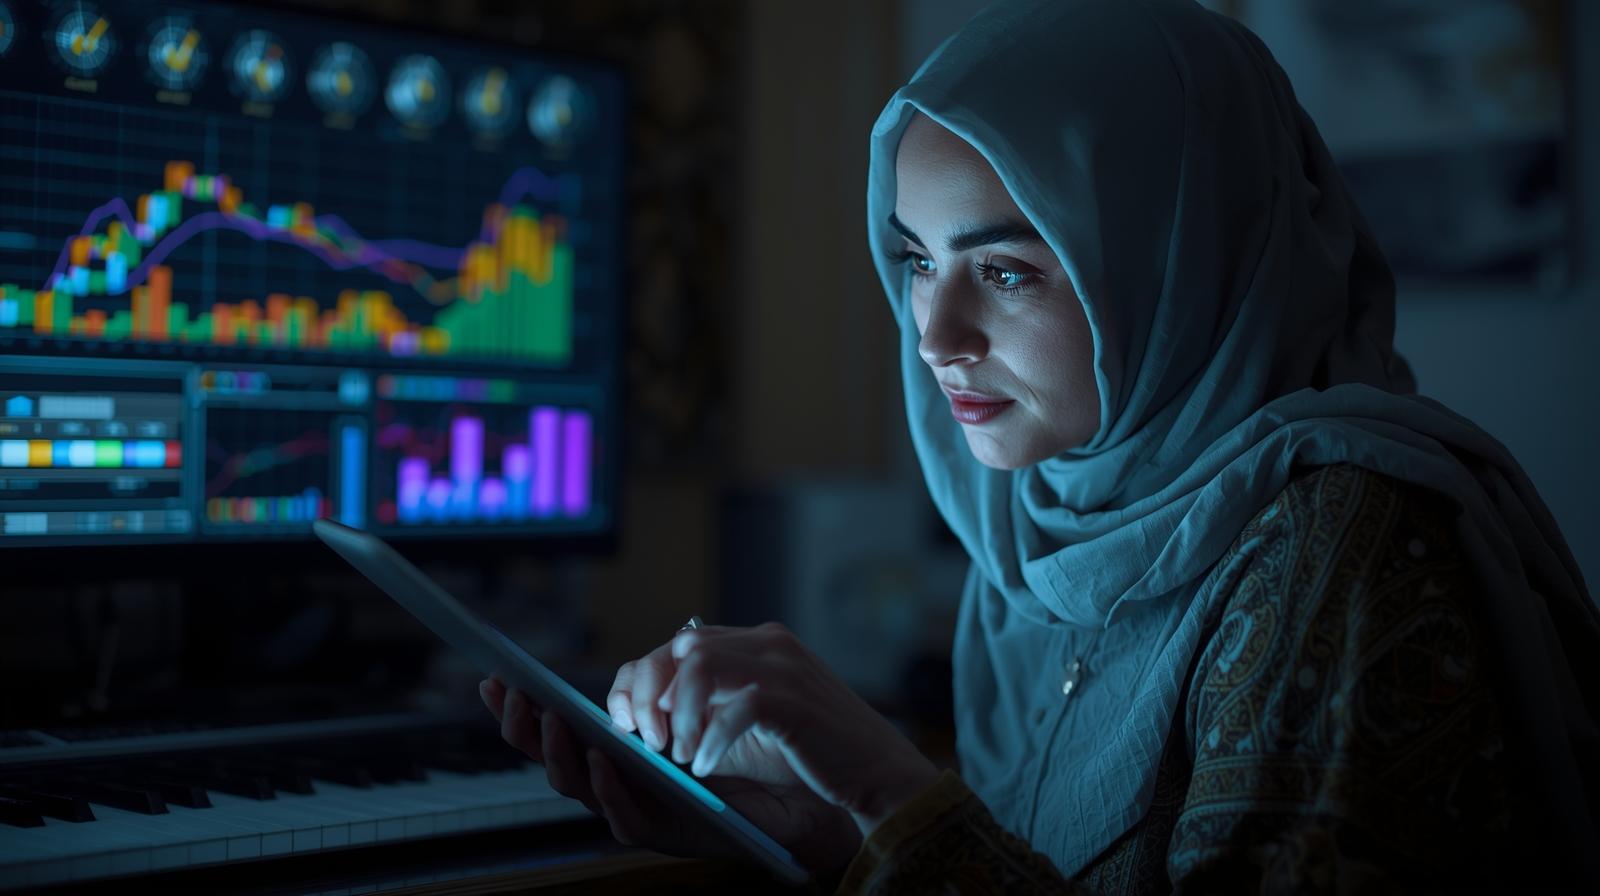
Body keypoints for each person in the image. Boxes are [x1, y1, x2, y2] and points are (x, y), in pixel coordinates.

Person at [480, 0, 1600, 890]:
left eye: (1007, 270)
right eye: (917, 260)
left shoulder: (1339, 542)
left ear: (1180, 266)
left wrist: (890, 785)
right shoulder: (1037, 526)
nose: (934, 335)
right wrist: (828, 833)